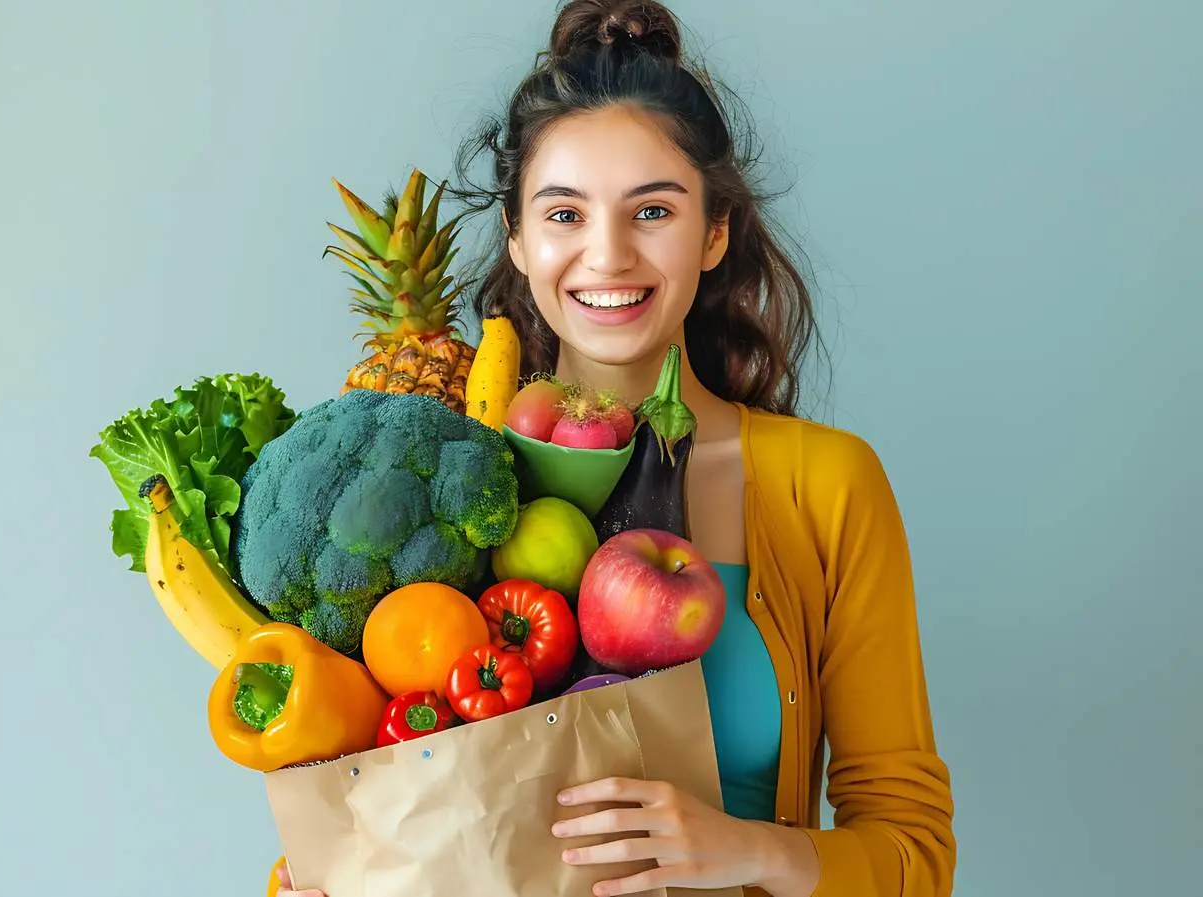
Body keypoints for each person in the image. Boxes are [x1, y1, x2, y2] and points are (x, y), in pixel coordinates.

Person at [275, 0, 956, 894]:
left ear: (715, 232)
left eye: (653, 211)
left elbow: (915, 852)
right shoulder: (441, 485)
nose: (607, 254)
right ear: (516, 239)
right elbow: (360, 808)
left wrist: (749, 850)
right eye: (564, 215)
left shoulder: (824, 484)